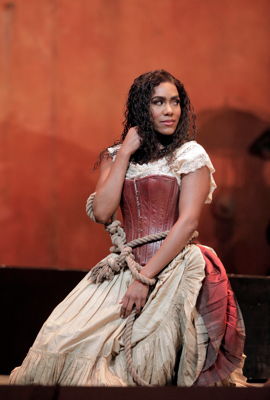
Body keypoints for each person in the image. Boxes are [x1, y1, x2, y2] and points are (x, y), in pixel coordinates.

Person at [9, 70, 246, 386]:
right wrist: (123, 154)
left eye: (175, 102)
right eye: (158, 102)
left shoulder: (190, 154)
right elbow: (104, 212)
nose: (169, 110)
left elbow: (188, 221)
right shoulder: (115, 155)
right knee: (59, 340)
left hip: (172, 264)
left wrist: (145, 279)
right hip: (125, 264)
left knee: (143, 363)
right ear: (140, 109)